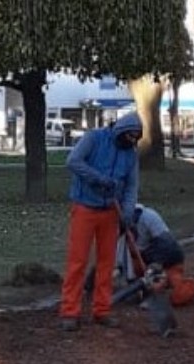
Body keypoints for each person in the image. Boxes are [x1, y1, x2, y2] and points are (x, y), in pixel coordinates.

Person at [59, 112, 143, 331]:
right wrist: (98, 178)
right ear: (120, 131)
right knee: (78, 261)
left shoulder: (131, 154)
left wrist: (127, 212)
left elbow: (132, 185)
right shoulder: (93, 139)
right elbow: (72, 161)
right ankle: (70, 311)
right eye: (129, 136)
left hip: (111, 212)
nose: (132, 141)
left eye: (136, 138)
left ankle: (102, 309)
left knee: (107, 264)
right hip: (85, 207)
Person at [119, 204, 194, 307]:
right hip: (146, 262)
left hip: (167, 261)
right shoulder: (117, 226)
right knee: (134, 262)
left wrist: (156, 265)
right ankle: (148, 289)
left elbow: (168, 245)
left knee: (178, 297)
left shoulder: (148, 216)